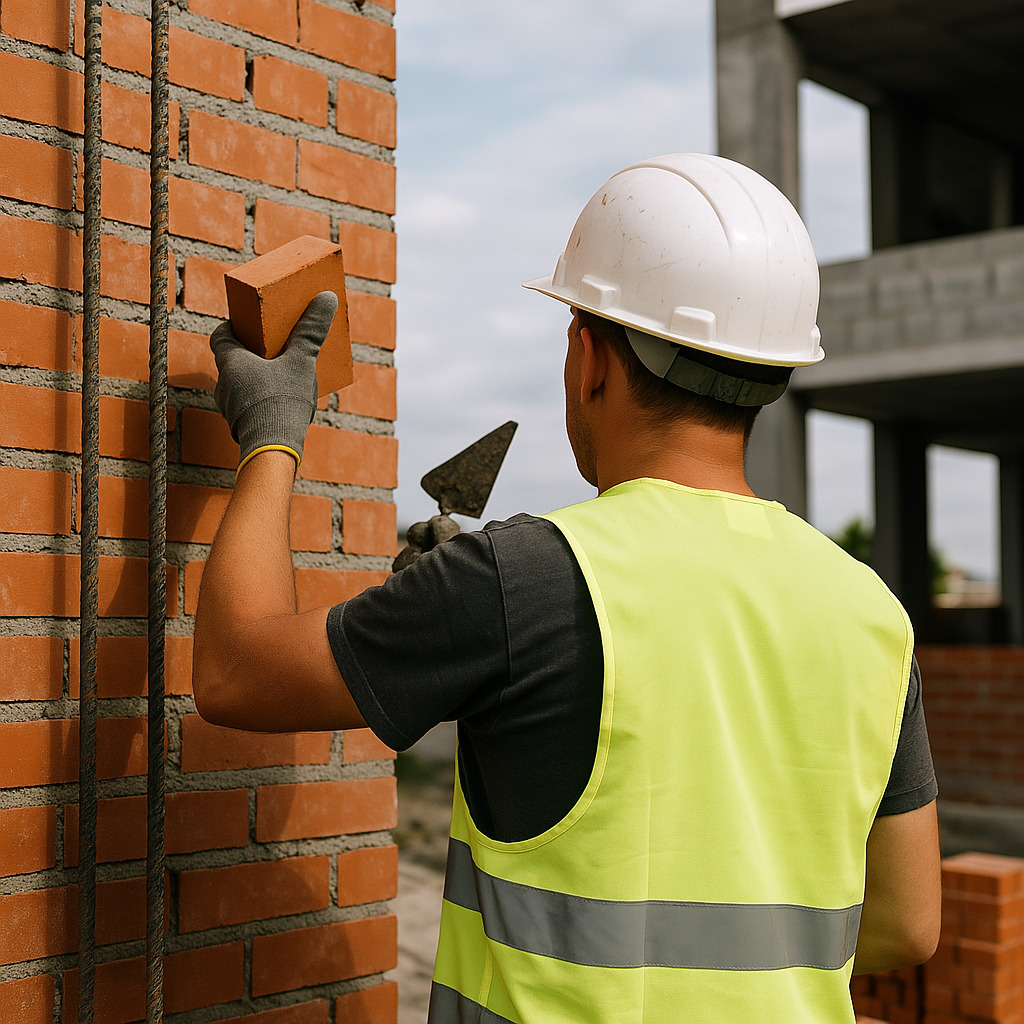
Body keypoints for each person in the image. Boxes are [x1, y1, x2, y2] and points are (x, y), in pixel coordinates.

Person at [194, 153, 941, 1024]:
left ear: (588, 356)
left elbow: (235, 670)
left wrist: (272, 435)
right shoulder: (870, 612)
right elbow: (904, 926)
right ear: (767, 377)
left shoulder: (526, 578)